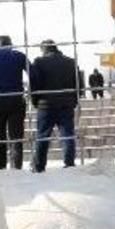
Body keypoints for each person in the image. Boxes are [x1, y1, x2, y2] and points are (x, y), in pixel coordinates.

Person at [30, 41, 80, 172]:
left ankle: (39, 166)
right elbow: (78, 83)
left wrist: (35, 101)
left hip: (45, 105)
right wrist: (74, 100)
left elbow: (34, 84)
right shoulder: (71, 62)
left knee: (43, 136)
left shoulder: (39, 62)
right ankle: (69, 164)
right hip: (66, 104)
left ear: (44, 49)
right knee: (67, 135)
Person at [0, 36, 29, 170]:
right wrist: (32, 93)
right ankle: (16, 167)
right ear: (11, 44)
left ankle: (1, 166)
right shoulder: (19, 56)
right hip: (16, 99)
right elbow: (33, 74)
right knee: (16, 136)